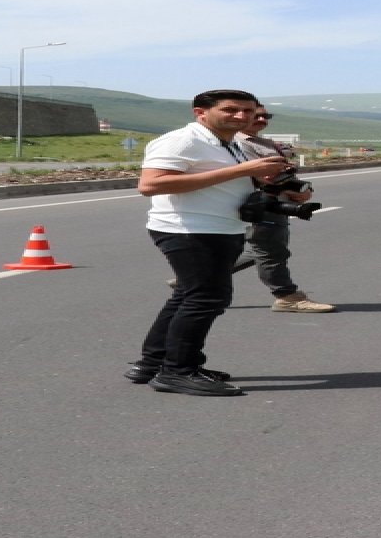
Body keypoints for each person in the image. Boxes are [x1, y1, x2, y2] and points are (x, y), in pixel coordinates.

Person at [124, 89, 294, 397]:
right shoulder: (183, 140)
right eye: (231, 110)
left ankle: (153, 363)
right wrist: (246, 170)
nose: (242, 116)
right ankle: (177, 372)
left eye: (248, 111)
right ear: (200, 112)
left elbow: (223, 179)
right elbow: (150, 184)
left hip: (218, 228)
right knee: (206, 299)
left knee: (187, 297)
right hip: (190, 230)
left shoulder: (229, 144)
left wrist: (271, 184)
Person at [232, 105, 335, 312]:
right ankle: (287, 296)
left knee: (260, 249)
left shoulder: (261, 141)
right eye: (256, 115)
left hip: (275, 203)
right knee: (270, 251)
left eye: (265, 116)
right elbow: (264, 176)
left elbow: (283, 173)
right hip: (264, 203)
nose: (261, 119)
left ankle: (193, 278)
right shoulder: (239, 143)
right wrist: (291, 188)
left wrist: (304, 190)